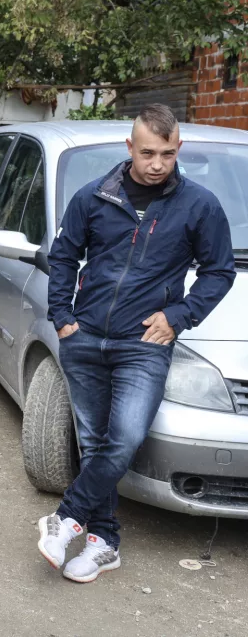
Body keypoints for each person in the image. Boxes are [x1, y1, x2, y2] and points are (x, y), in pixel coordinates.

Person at [41, 104, 235, 582]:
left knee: (125, 438)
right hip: (85, 338)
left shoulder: (200, 205)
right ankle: (104, 542)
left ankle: (66, 518)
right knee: (94, 443)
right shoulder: (93, 197)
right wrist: (63, 318)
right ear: (129, 148)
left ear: (178, 150)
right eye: (148, 152)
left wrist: (179, 316)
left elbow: (219, 271)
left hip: (144, 343)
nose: (157, 163)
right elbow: (63, 256)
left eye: (167, 154)